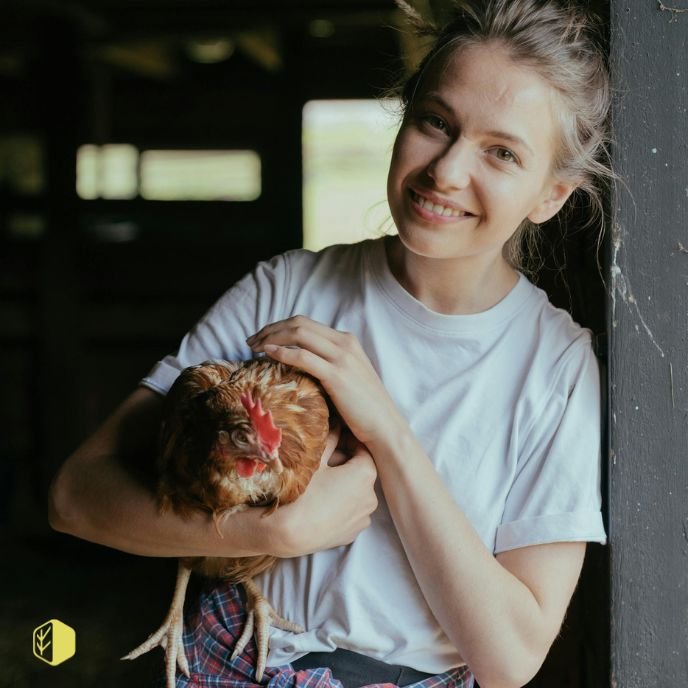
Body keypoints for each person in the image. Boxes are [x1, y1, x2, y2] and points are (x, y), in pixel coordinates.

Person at [49, 1, 612, 686]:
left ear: (550, 194)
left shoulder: (552, 366)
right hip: (229, 663)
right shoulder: (288, 289)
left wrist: (387, 432)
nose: (448, 170)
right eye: (436, 122)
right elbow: (76, 497)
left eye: (501, 152)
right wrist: (271, 534)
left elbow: (511, 658)